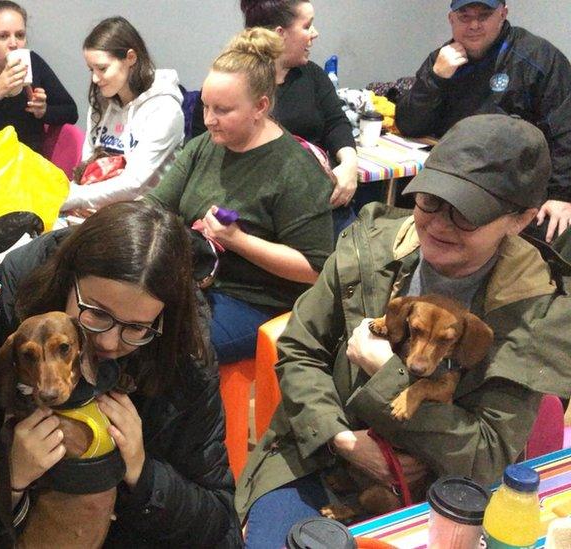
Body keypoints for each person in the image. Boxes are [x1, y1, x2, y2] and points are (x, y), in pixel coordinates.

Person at [236, 114, 571, 547]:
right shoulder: (369, 248)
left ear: (519, 220)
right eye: (430, 200)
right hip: (316, 455)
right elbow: (301, 349)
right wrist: (341, 439)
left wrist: (387, 374)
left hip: (444, 490)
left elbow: (486, 457)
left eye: (467, 214)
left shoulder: (534, 314)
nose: (438, 223)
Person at [0, 201, 243, 548]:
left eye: (138, 327)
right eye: (96, 313)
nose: (108, 342)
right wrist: (8, 479)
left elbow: (219, 523)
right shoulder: (13, 344)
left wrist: (143, 472)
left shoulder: (184, 360)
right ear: (68, 282)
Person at [147, 27, 334, 365]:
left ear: (260, 106)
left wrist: (238, 241)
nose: (208, 120)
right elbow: (157, 205)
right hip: (199, 283)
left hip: (259, 302)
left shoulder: (294, 169)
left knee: (169, 350)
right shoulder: (206, 145)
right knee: (129, 325)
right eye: (205, 106)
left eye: (222, 110)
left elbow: (315, 269)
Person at [396, 0, 571, 243]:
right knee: (400, 208)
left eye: (484, 15)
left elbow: (566, 128)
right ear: (451, 20)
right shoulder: (441, 59)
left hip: (516, 185)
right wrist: (435, 79)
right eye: (464, 16)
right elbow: (409, 124)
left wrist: (562, 195)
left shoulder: (539, 57)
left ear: (503, 14)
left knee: (551, 233)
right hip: (455, 179)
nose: (474, 25)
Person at [191, 0, 358, 230]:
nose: (315, 33)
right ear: (280, 34)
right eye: (307, 26)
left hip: (315, 203)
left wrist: (350, 164)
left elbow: (335, 123)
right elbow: (202, 157)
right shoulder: (228, 91)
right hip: (255, 210)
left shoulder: (312, 75)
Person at [62, 16, 185, 213]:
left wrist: (76, 198)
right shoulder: (101, 102)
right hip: (96, 212)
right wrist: (77, 197)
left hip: (144, 218)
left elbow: (134, 183)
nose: (95, 78)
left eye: (102, 68)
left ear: (130, 58)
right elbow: (88, 169)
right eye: (91, 69)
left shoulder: (164, 109)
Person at [0, 0, 77, 154]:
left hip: (30, 166)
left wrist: (43, 111)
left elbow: (71, 112)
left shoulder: (32, 62)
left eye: (20, 35)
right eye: (3, 36)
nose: (14, 43)